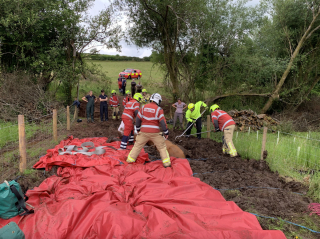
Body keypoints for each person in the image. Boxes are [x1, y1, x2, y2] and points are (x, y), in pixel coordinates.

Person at [126, 93, 171, 168]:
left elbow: (137, 119)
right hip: (155, 133)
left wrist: (138, 129)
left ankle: (130, 160)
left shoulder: (143, 107)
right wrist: (166, 132)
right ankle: (166, 164)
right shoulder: (159, 109)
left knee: (137, 146)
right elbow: (162, 122)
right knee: (162, 147)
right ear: (158, 101)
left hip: (143, 132)